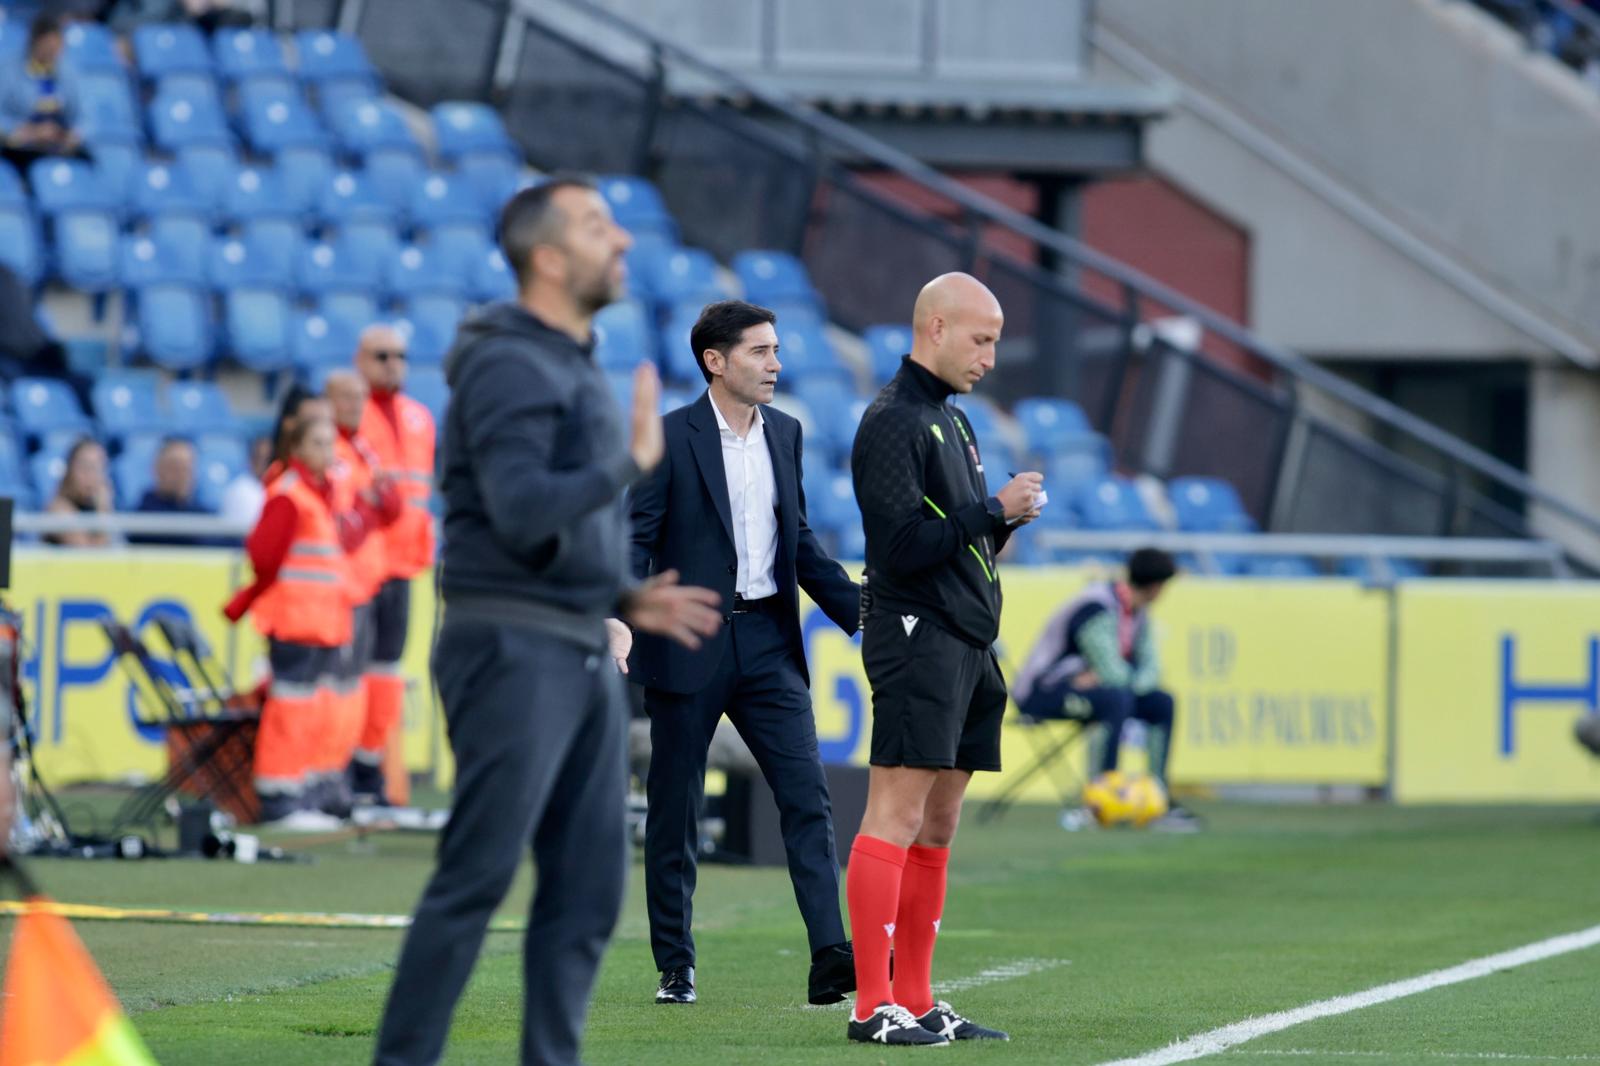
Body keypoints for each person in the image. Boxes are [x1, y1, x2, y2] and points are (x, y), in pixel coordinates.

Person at [373, 176, 723, 1066]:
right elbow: (524, 509)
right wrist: (630, 461)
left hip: (572, 639)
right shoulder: (506, 361)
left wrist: (619, 591)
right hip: (511, 644)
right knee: (478, 877)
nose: (626, 243)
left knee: (586, 891)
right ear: (550, 256)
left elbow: (554, 522)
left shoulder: (568, 360)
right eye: (600, 226)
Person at [628, 299, 862, 1007]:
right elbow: (635, 540)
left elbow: (803, 547)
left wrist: (865, 617)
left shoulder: (785, 434)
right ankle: (676, 963)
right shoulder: (667, 437)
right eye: (761, 351)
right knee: (676, 807)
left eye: (777, 350)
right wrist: (623, 615)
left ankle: (830, 954)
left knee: (807, 797)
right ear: (715, 360)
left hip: (767, 641)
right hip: (686, 636)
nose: (776, 364)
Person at [844, 272, 1042, 1046]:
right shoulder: (893, 421)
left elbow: (962, 540)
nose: (990, 357)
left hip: (967, 639)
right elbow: (897, 547)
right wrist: (994, 509)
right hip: (916, 634)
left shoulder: (952, 423)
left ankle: (919, 997)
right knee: (894, 813)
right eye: (981, 338)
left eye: (995, 341)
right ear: (934, 327)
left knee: (939, 822)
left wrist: (1005, 520)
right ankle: (870, 1006)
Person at [222, 415, 367, 829]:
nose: (328, 452)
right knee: (290, 711)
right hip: (294, 621)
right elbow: (264, 556)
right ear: (297, 449)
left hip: (321, 621)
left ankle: (303, 794)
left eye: (330, 443)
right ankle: (279, 798)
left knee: (312, 711)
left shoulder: (320, 495)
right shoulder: (289, 494)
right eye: (318, 443)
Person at [1011, 547, 1199, 831]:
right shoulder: (1096, 607)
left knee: (1161, 702)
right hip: (1043, 693)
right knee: (1115, 700)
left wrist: (1122, 679)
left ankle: (1159, 797)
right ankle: (1102, 802)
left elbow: (1150, 670)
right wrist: (1119, 679)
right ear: (1158, 587)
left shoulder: (1139, 613)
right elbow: (1112, 672)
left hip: (1095, 692)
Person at [354, 323, 433, 813]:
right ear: (360, 360)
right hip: (364, 566)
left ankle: (370, 769)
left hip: (404, 565)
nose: (393, 365)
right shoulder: (351, 415)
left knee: (385, 672)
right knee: (350, 675)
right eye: (382, 356)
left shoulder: (420, 418)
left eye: (400, 356)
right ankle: (343, 767)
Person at [324, 370, 402, 807]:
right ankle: (332, 777)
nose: (356, 405)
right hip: (342, 586)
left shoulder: (361, 446)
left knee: (365, 683)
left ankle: (358, 775)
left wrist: (370, 505)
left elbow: (390, 506)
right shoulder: (330, 448)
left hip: (369, 579)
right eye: (346, 397)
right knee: (338, 685)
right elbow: (344, 521)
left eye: (359, 397)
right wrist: (368, 507)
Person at [0, 14, 82, 175]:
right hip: (23, 146)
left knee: (86, 162)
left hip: (56, 143)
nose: (53, 52)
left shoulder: (66, 71)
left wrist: (73, 134)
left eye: (57, 47)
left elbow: (80, 114)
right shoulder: (8, 71)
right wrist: (29, 132)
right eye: (48, 46)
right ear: (35, 42)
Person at [129, 436, 212, 546]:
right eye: (176, 467)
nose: (183, 475)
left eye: (188, 467)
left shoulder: (201, 512)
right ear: (157, 469)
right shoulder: (144, 516)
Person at [44, 437, 114, 548]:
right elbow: (90, 556)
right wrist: (103, 511)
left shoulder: (96, 505)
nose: (92, 475)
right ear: (70, 470)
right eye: (86, 467)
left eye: (99, 468)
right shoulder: (58, 508)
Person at [219, 435, 272, 529]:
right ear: (251, 458)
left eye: (267, 459)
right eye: (259, 457)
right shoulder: (240, 489)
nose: (263, 464)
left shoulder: (274, 485)